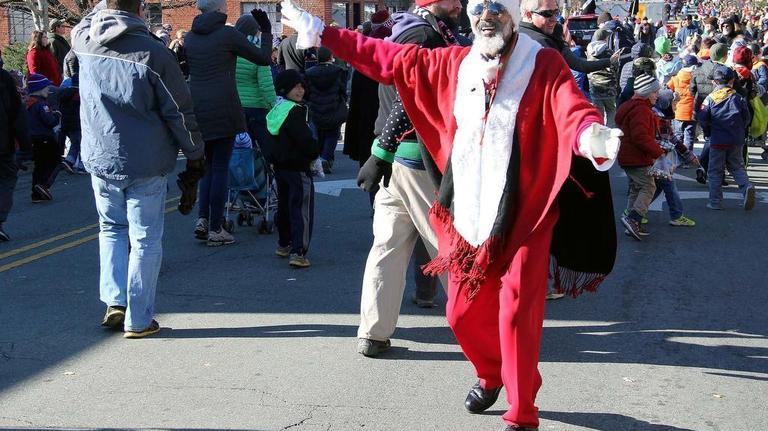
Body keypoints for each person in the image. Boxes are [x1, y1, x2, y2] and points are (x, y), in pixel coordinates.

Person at [280, 0, 621, 428]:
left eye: (497, 7)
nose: (486, 15)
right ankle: (492, 372)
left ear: (512, 15)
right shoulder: (452, 63)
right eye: (479, 8)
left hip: (525, 214)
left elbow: (570, 107)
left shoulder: (543, 62)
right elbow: (386, 58)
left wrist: (591, 135)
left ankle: (522, 409)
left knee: (517, 310)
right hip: (467, 208)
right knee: (460, 312)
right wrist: (324, 33)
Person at [71, 0, 206, 338]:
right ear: (142, 9)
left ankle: (114, 301)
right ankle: (139, 318)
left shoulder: (85, 40)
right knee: (144, 239)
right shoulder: (155, 54)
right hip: (146, 160)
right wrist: (195, 152)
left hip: (101, 154)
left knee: (111, 229)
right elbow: (179, 112)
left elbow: (82, 25)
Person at [354, 0, 464, 357]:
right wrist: (381, 152)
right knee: (449, 248)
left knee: (387, 247)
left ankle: (373, 332)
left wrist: (379, 154)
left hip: (395, 161)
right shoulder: (427, 36)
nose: (459, 4)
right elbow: (409, 99)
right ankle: (480, 331)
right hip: (418, 161)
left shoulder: (404, 29)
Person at [184, 0, 273, 246]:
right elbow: (263, 58)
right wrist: (266, 31)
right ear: (219, 9)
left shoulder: (190, 37)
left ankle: (203, 219)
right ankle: (215, 228)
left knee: (207, 167)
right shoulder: (227, 35)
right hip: (224, 106)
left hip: (198, 106)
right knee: (221, 166)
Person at [267, 70, 320, 268]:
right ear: (285, 88)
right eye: (295, 86)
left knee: (284, 206)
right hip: (299, 166)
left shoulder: (277, 109)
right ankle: (299, 250)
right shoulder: (296, 111)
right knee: (301, 208)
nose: (300, 90)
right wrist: (315, 152)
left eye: (302, 86)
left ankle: (284, 243)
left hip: (281, 166)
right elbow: (305, 140)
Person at [697, 65, 756, 210]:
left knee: (715, 171)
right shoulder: (739, 98)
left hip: (717, 140)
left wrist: (707, 130)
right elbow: (747, 118)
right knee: (737, 167)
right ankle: (746, 187)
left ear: (715, 82)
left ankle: (715, 202)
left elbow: (703, 118)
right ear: (731, 81)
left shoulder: (710, 99)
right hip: (736, 139)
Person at [616, 74, 665, 240]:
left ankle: (631, 223)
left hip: (627, 155)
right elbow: (640, 136)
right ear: (646, 92)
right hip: (636, 157)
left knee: (636, 189)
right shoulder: (641, 110)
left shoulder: (630, 106)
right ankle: (633, 219)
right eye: (654, 92)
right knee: (649, 186)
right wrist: (658, 153)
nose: (657, 95)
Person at [234, 14, 277, 159]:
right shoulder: (258, 50)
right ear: (256, 30)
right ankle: (267, 177)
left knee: (243, 151)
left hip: (235, 107)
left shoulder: (229, 50)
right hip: (257, 107)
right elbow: (265, 84)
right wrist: (274, 105)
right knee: (267, 149)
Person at [305, 47, 348, 174]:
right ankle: (326, 158)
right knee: (332, 134)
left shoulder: (308, 73)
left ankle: (318, 159)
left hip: (315, 107)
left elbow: (307, 92)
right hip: (333, 107)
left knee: (316, 134)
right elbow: (343, 90)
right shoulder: (339, 71)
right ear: (330, 57)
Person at [0, 66, 31, 241]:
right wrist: (26, 145)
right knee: (6, 179)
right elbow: (17, 115)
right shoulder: (4, 78)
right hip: (3, 143)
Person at [24, 74, 61, 202]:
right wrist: (56, 115)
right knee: (56, 161)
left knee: (40, 165)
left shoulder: (27, 103)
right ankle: (44, 185)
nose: (48, 90)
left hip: (33, 138)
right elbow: (50, 121)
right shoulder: (41, 104)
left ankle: (36, 194)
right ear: (39, 89)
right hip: (46, 137)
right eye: (46, 88)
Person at [586, 29, 618, 127]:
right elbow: (615, 68)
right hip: (609, 88)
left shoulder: (589, 51)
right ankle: (611, 133)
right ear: (605, 38)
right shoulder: (608, 52)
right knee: (611, 111)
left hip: (595, 87)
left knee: (598, 114)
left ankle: (599, 135)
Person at [667, 55, 698, 152]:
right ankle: (688, 159)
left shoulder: (675, 78)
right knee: (689, 136)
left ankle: (677, 157)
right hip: (691, 112)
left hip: (678, 112)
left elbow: (667, 89)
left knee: (677, 135)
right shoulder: (696, 78)